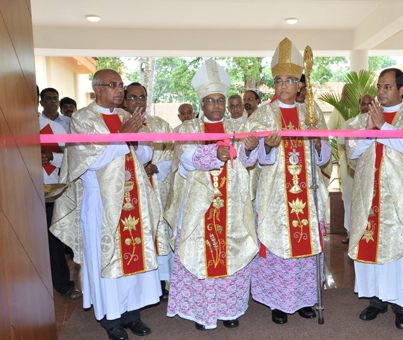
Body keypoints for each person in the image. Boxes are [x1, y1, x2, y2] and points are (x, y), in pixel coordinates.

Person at [51, 69, 162, 340]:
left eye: (121, 85)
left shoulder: (126, 116)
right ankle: (110, 319)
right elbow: (89, 161)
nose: (119, 90)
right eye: (112, 85)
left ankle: (132, 315)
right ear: (97, 88)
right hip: (99, 199)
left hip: (131, 197)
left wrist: (135, 140)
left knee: (132, 257)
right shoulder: (82, 119)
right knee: (106, 257)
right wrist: (123, 137)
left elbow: (144, 154)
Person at [164, 58, 259, 330]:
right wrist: (213, 153)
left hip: (232, 204)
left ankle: (229, 310)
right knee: (199, 257)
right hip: (198, 206)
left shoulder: (239, 128)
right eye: (210, 100)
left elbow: (246, 162)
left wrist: (249, 149)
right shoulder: (187, 129)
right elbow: (184, 160)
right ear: (201, 103)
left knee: (232, 253)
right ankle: (201, 312)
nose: (216, 105)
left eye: (221, 100)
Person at [243, 37, 331, 324]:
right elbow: (249, 157)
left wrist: (319, 145)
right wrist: (267, 146)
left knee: (305, 247)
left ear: (299, 85)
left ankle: (306, 300)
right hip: (277, 196)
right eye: (278, 80)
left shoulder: (312, 112)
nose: (283, 85)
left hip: (307, 193)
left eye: (290, 80)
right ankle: (278, 303)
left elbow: (325, 153)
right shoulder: (264, 113)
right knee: (280, 245)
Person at [345, 68, 403, 330]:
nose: (381, 92)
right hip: (369, 195)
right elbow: (352, 155)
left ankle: (402, 306)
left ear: (402, 90)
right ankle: (376, 300)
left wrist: (383, 126)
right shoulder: (361, 120)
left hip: (399, 197)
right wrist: (369, 131)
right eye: (379, 87)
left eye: (387, 87)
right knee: (370, 246)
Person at [124, 82, 174, 301]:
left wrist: (156, 167)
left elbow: (176, 156)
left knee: (158, 232)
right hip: (128, 190)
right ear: (125, 100)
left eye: (142, 97)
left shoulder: (161, 125)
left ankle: (161, 282)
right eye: (133, 97)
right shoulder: (120, 124)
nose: (138, 101)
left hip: (156, 186)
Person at [40, 109, 82, 301]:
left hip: (50, 192)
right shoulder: (11, 127)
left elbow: (72, 156)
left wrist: (51, 156)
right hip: (18, 193)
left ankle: (64, 284)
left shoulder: (55, 128)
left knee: (54, 241)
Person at [337, 94, 374, 244]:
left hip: (372, 170)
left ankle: (368, 232)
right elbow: (342, 145)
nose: (365, 107)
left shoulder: (379, 123)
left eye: (369, 104)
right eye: (363, 104)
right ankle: (350, 232)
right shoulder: (349, 124)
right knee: (350, 199)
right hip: (351, 168)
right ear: (359, 106)